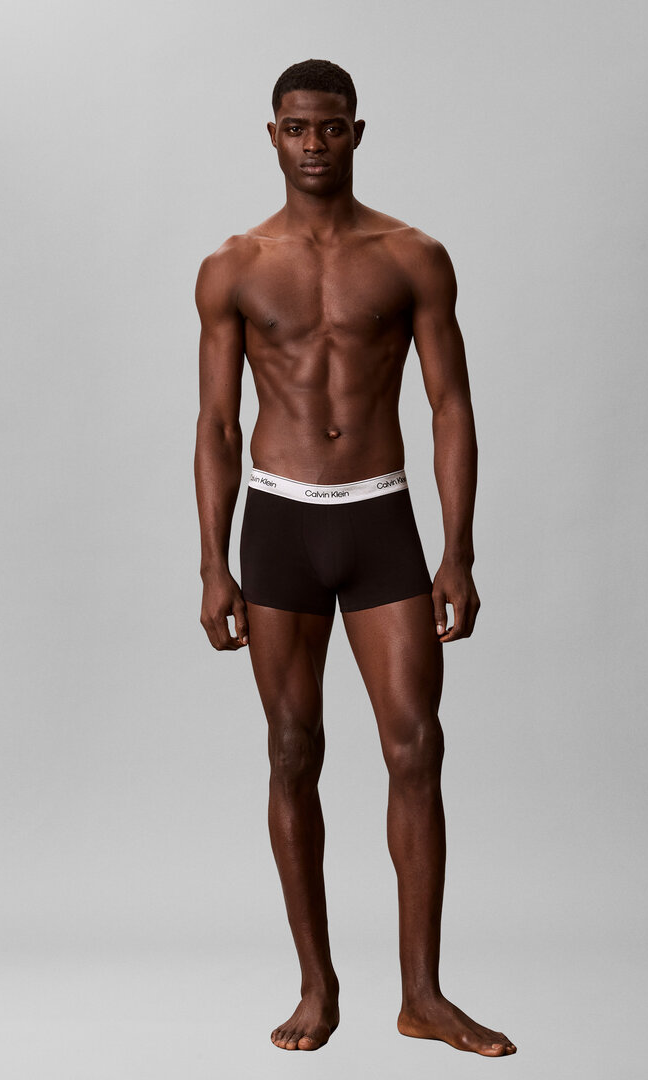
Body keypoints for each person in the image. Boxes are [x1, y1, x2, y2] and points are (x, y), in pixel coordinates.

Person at [194, 58, 516, 1057]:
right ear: (272, 135)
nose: (314, 145)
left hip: (380, 519)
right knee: (293, 751)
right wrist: (213, 564)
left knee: (416, 746)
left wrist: (458, 550)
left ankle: (424, 996)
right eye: (296, 128)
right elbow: (216, 425)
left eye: (331, 128)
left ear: (357, 133)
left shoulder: (412, 256)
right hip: (280, 523)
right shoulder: (234, 266)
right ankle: (317, 985)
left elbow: (450, 405)